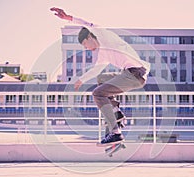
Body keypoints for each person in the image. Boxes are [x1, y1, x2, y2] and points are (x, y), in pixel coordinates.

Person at [51, 7, 150, 144]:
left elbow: (88, 24)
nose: (86, 48)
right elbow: (96, 70)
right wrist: (81, 79)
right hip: (130, 73)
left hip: (135, 73)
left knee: (98, 94)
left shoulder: (103, 36)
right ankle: (116, 111)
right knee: (101, 79)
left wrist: (69, 18)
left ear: (90, 37)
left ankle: (115, 133)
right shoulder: (103, 53)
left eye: (85, 44)